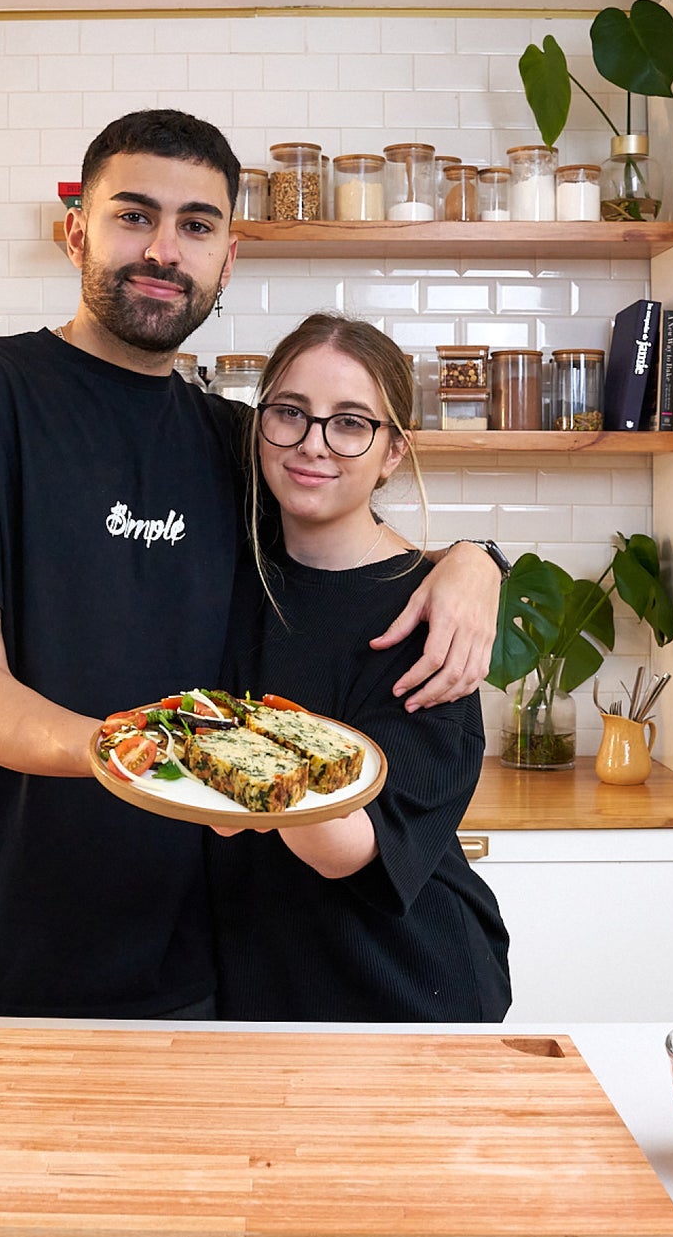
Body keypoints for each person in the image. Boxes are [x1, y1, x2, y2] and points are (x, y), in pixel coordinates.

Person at [0, 108, 502, 1020]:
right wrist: (156, 755)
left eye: (196, 225)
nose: (163, 249)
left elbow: (353, 537)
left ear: (226, 257)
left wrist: (479, 559)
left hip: (173, 950)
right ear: (77, 230)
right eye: (133, 215)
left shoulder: (238, 443)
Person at [206, 314, 510, 1021]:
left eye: (349, 423)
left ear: (392, 452)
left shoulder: (428, 623)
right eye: (289, 413)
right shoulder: (227, 572)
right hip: (251, 987)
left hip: (402, 990)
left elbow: (347, 848)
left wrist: (237, 768)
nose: (312, 444)